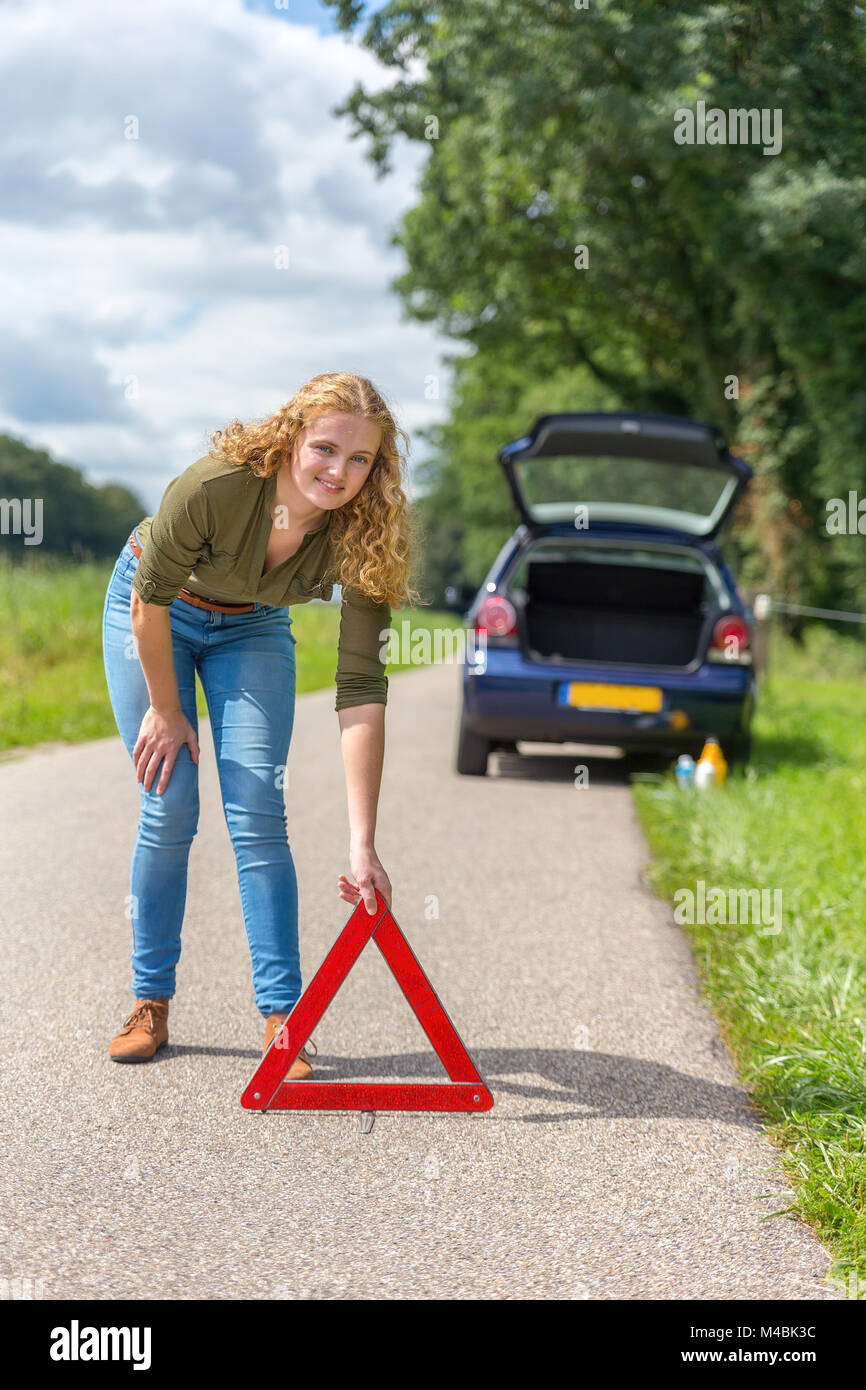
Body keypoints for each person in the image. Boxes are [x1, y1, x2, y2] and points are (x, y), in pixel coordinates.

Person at [101, 371, 422, 1072]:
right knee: (170, 801)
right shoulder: (215, 487)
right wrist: (166, 707)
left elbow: (363, 688)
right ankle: (150, 1002)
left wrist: (362, 842)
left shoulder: (365, 537)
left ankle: (284, 1019)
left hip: (252, 631)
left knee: (257, 811)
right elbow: (149, 602)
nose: (340, 472)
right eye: (326, 449)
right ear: (292, 439)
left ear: (378, 468)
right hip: (154, 608)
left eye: (361, 459)